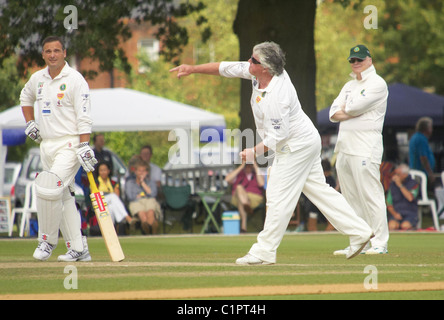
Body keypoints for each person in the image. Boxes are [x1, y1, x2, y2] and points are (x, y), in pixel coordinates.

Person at [170, 41, 373, 265]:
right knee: (320, 191)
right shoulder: (256, 71)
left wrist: (252, 153)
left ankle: (264, 251)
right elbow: (225, 68)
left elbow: (278, 137)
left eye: (254, 60)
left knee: (277, 196)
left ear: (265, 68)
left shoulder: (278, 94)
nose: (248, 62)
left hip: (296, 145)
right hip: (304, 140)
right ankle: (359, 231)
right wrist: (192, 69)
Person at [20, 35, 97, 261]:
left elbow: (84, 116)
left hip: (70, 144)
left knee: (48, 186)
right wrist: (30, 122)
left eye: (56, 51)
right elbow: (25, 96)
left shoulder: (75, 80)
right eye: (48, 51)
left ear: (64, 53)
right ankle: (79, 248)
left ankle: (47, 241)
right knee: (63, 196)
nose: (52, 55)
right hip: (47, 145)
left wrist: (84, 144)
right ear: (43, 54)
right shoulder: (38, 78)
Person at [329, 44, 389, 255]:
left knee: (370, 195)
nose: (356, 63)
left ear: (369, 60)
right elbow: (333, 112)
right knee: (351, 197)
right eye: (353, 60)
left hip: (365, 147)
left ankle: (380, 242)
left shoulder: (378, 83)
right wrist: (350, 110)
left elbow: (351, 108)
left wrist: (349, 109)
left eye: (360, 59)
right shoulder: (348, 86)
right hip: (345, 147)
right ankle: (359, 240)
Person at [225, 159, 265, 232]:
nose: (248, 166)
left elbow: (261, 183)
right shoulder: (238, 174)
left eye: (250, 165)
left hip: (254, 198)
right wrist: (241, 166)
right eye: (246, 165)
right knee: (239, 187)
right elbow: (227, 179)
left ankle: (243, 227)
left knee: (241, 200)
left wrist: (255, 165)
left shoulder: (258, 173)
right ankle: (245, 204)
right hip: (237, 197)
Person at [125, 159, 162, 234]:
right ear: (135, 172)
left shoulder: (150, 182)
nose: (141, 173)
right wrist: (143, 195)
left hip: (149, 200)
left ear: (147, 172)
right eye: (139, 171)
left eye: (143, 171)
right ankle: (150, 230)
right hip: (136, 202)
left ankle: (152, 232)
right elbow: (131, 197)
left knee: (150, 211)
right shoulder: (130, 183)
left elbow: (153, 194)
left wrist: (142, 183)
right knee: (142, 214)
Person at [96, 161, 132, 227]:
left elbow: (117, 197)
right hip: (99, 202)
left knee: (111, 207)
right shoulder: (96, 182)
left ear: (108, 171)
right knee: (112, 196)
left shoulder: (113, 182)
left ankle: (111, 228)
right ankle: (126, 217)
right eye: (101, 170)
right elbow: (94, 196)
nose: (103, 172)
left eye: (105, 170)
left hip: (109, 203)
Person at [387, 164, 419, 231]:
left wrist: (400, 185)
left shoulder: (414, 184)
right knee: (392, 225)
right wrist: (395, 214)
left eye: (398, 174)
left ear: (405, 175)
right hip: (397, 212)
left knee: (405, 226)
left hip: (410, 213)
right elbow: (389, 203)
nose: (395, 176)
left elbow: (410, 198)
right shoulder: (392, 185)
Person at [409, 117, 436, 186]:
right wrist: (430, 173)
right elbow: (423, 157)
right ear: (425, 128)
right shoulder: (421, 138)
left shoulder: (416, 137)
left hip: (417, 172)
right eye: (430, 127)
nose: (432, 130)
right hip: (421, 173)